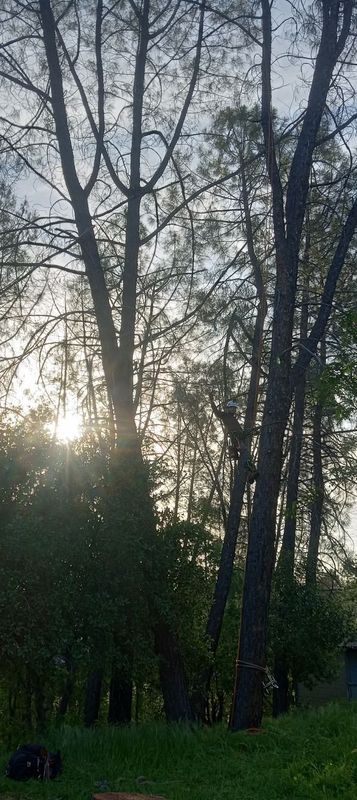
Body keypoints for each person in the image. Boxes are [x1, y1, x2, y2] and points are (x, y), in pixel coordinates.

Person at [209, 393, 258, 483]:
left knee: (246, 455)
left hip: (239, 437)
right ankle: (251, 472)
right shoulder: (225, 416)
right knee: (245, 454)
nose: (234, 410)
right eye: (232, 408)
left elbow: (241, 431)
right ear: (228, 408)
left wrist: (252, 432)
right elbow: (216, 412)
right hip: (236, 438)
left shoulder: (233, 418)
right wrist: (212, 401)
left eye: (234, 409)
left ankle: (250, 473)